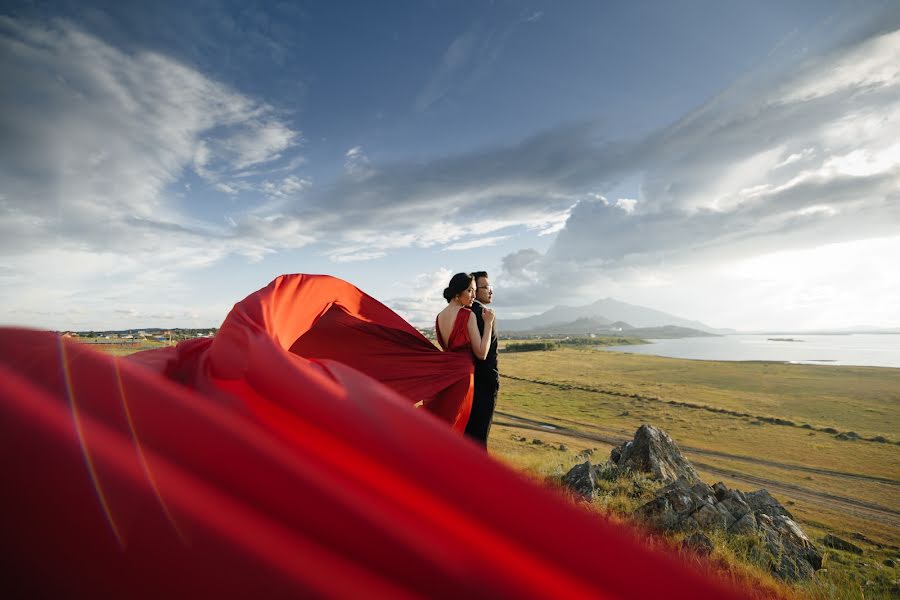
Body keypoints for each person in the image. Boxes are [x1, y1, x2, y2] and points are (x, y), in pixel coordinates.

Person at [464, 270, 499, 447]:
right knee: (479, 438)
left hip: (468, 382)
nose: (491, 291)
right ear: (475, 290)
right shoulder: (483, 314)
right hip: (484, 384)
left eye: (490, 287)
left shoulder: (464, 312)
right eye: (486, 287)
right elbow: (484, 355)